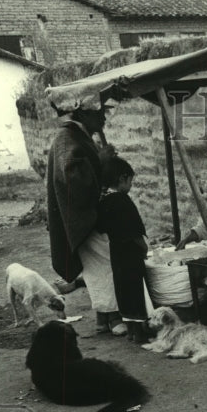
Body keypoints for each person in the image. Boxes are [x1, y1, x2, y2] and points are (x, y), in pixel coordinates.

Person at [46, 104, 126, 336]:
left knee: (97, 266)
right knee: (105, 264)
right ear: (84, 113)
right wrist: (99, 161)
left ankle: (104, 319)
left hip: (86, 214)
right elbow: (72, 179)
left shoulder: (77, 136)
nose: (103, 119)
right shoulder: (66, 137)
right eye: (99, 114)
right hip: (81, 216)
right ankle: (113, 317)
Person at [97, 154, 152, 344]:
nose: (131, 186)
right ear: (122, 179)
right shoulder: (123, 201)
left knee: (122, 290)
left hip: (115, 252)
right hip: (130, 253)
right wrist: (144, 249)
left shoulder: (103, 202)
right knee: (136, 291)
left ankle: (130, 331)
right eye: (130, 181)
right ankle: (140, 334)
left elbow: (102, 228)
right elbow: (134, 231)